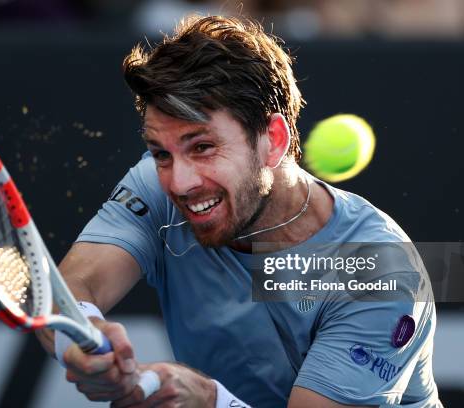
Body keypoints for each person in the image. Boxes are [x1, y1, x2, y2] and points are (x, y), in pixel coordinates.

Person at [36, 14, 441, 407]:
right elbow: (69, 291)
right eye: (161, 153)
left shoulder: (381, 272)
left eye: (203, 147)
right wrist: (84, 339)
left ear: (273, 140)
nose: (179, 183)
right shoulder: (156, 187)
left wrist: (210, 401)